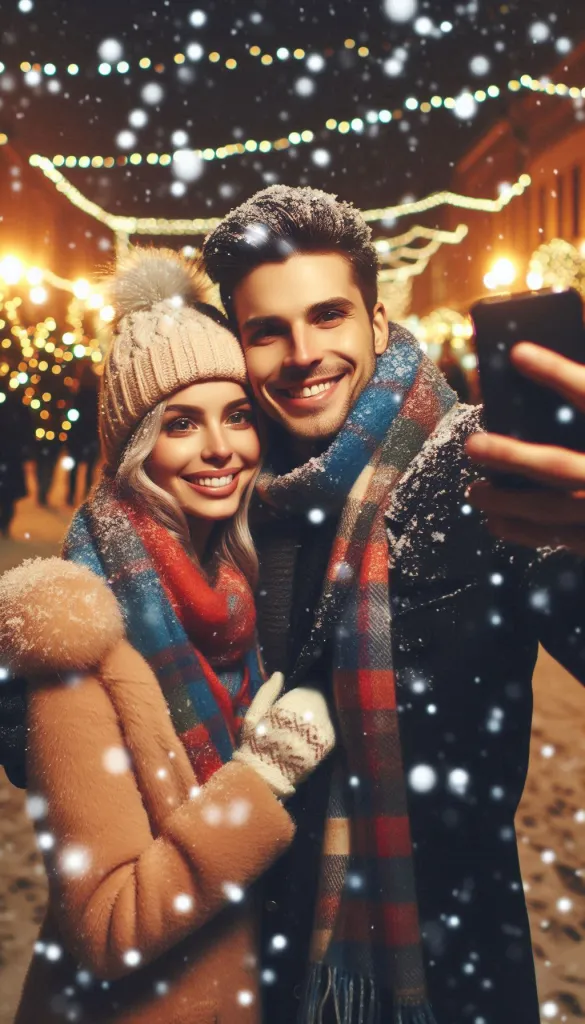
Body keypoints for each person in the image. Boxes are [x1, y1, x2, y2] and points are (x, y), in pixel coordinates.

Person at [199, 185, 585, 1024]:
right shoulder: (224, 496)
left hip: (442, 966)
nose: (302, 353)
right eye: (267, 330)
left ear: (376, 323)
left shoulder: (475, 469)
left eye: (329, 316)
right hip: (249, 960)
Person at [0, 247, 335, 1024]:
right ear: (133, 447)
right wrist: (261, 776)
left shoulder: (233, 599)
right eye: (179, 424)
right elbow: (108, 924)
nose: (220, 449)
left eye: (237, 415)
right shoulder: (80, 640)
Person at [66, 364, 100, 506]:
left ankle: (71, 494)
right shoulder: (96, 396)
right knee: (89, 468)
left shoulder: (77, 395)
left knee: (74, 467)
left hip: (78, 436)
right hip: (91, 436)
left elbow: (72, 416)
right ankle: (86, 495)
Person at [0, 390, 32, 536]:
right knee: (8, 496)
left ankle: (5, 523)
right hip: (12, 457)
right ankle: (5, 523)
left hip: (11, 457)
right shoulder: (18, 409)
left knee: (8, 495)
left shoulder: (16, 410)